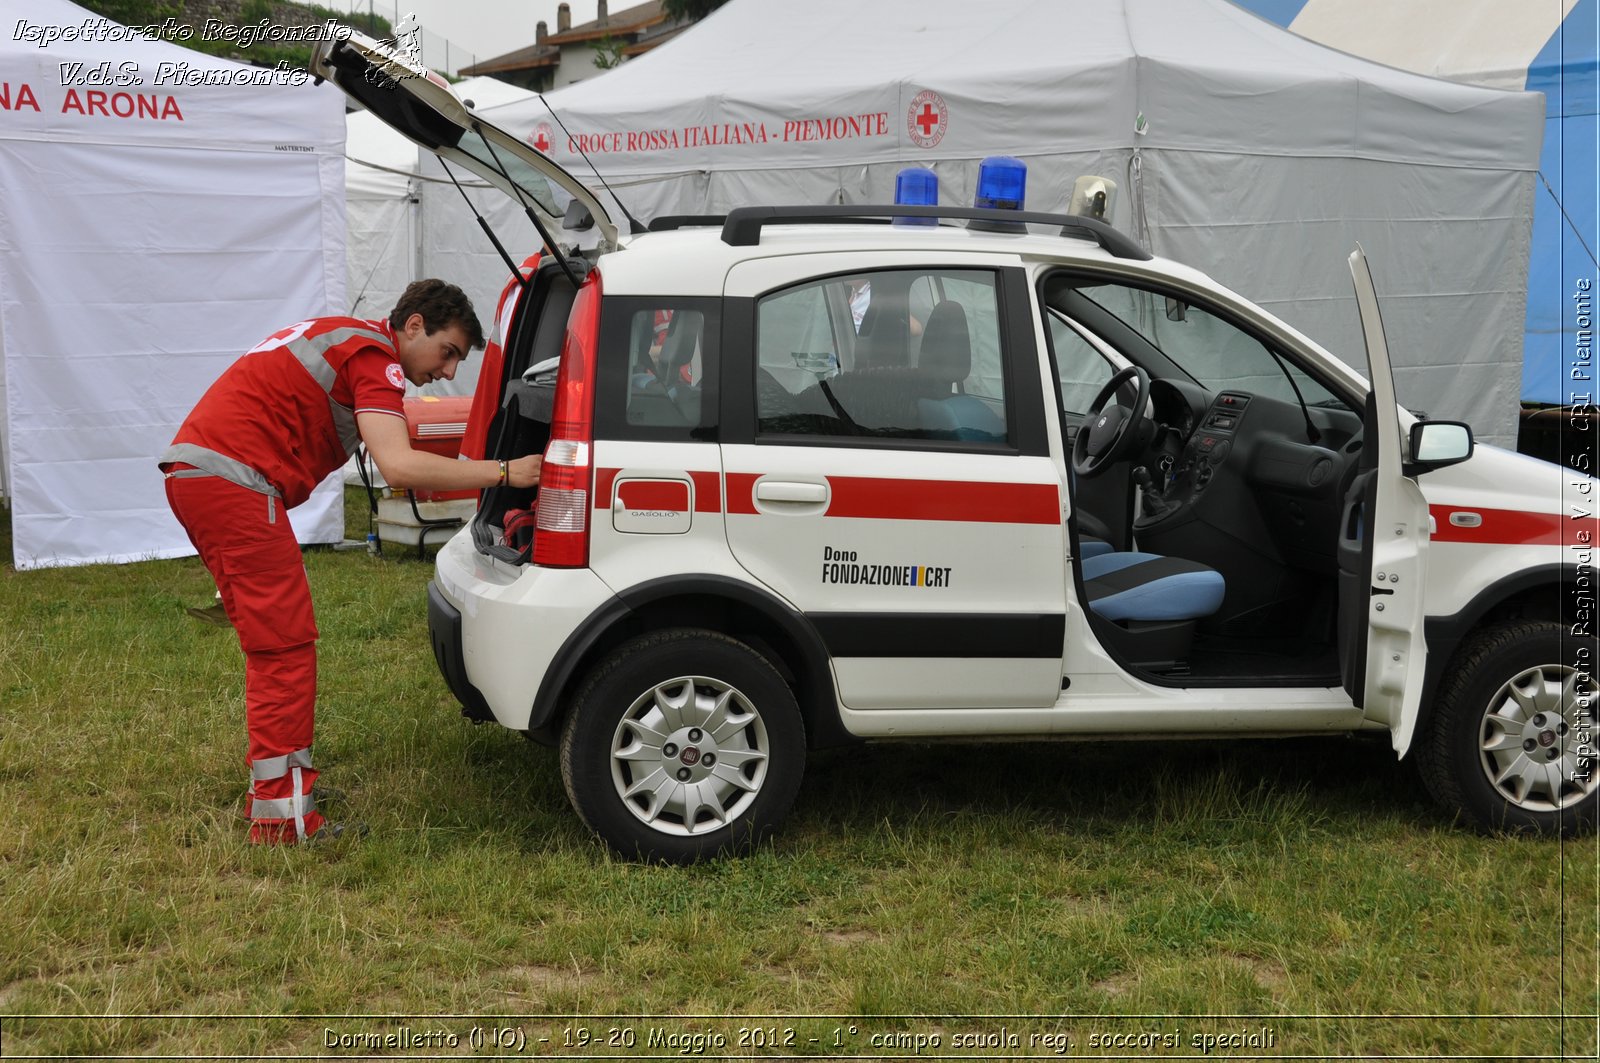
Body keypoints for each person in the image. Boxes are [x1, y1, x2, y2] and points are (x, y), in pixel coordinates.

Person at [160, 279, 541, 845]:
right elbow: (401, 466)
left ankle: (282, 791)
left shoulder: (346, 339)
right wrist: (507, 472)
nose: (448, 371)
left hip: (206, 475)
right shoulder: (374, 356)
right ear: (413, 325)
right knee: (284, 646)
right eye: (448, 352)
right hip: (232, 482)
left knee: (276, 640)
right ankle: (281, 815)